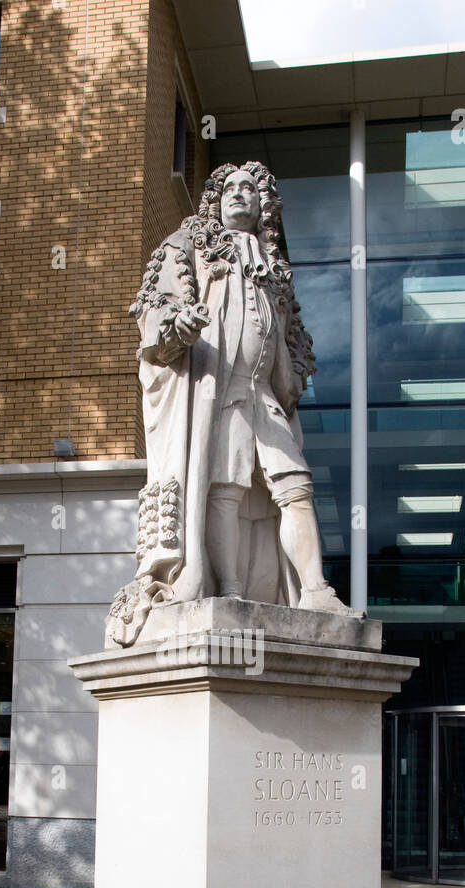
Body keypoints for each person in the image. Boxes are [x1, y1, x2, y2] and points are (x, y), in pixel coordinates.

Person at [106, 160, 350, 647]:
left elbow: (293, 341)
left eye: (249, 189)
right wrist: (178, 327)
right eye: (230, 189)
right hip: (218, 395)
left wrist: (294, 374)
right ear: (215, 202)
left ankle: (317, 590)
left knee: (295, 487)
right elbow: (156, 311)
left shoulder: (275, 271)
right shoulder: (187, 245)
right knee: (225, 488)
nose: (239, 195)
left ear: (264, 207)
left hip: (264, 396)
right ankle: (230, 590)